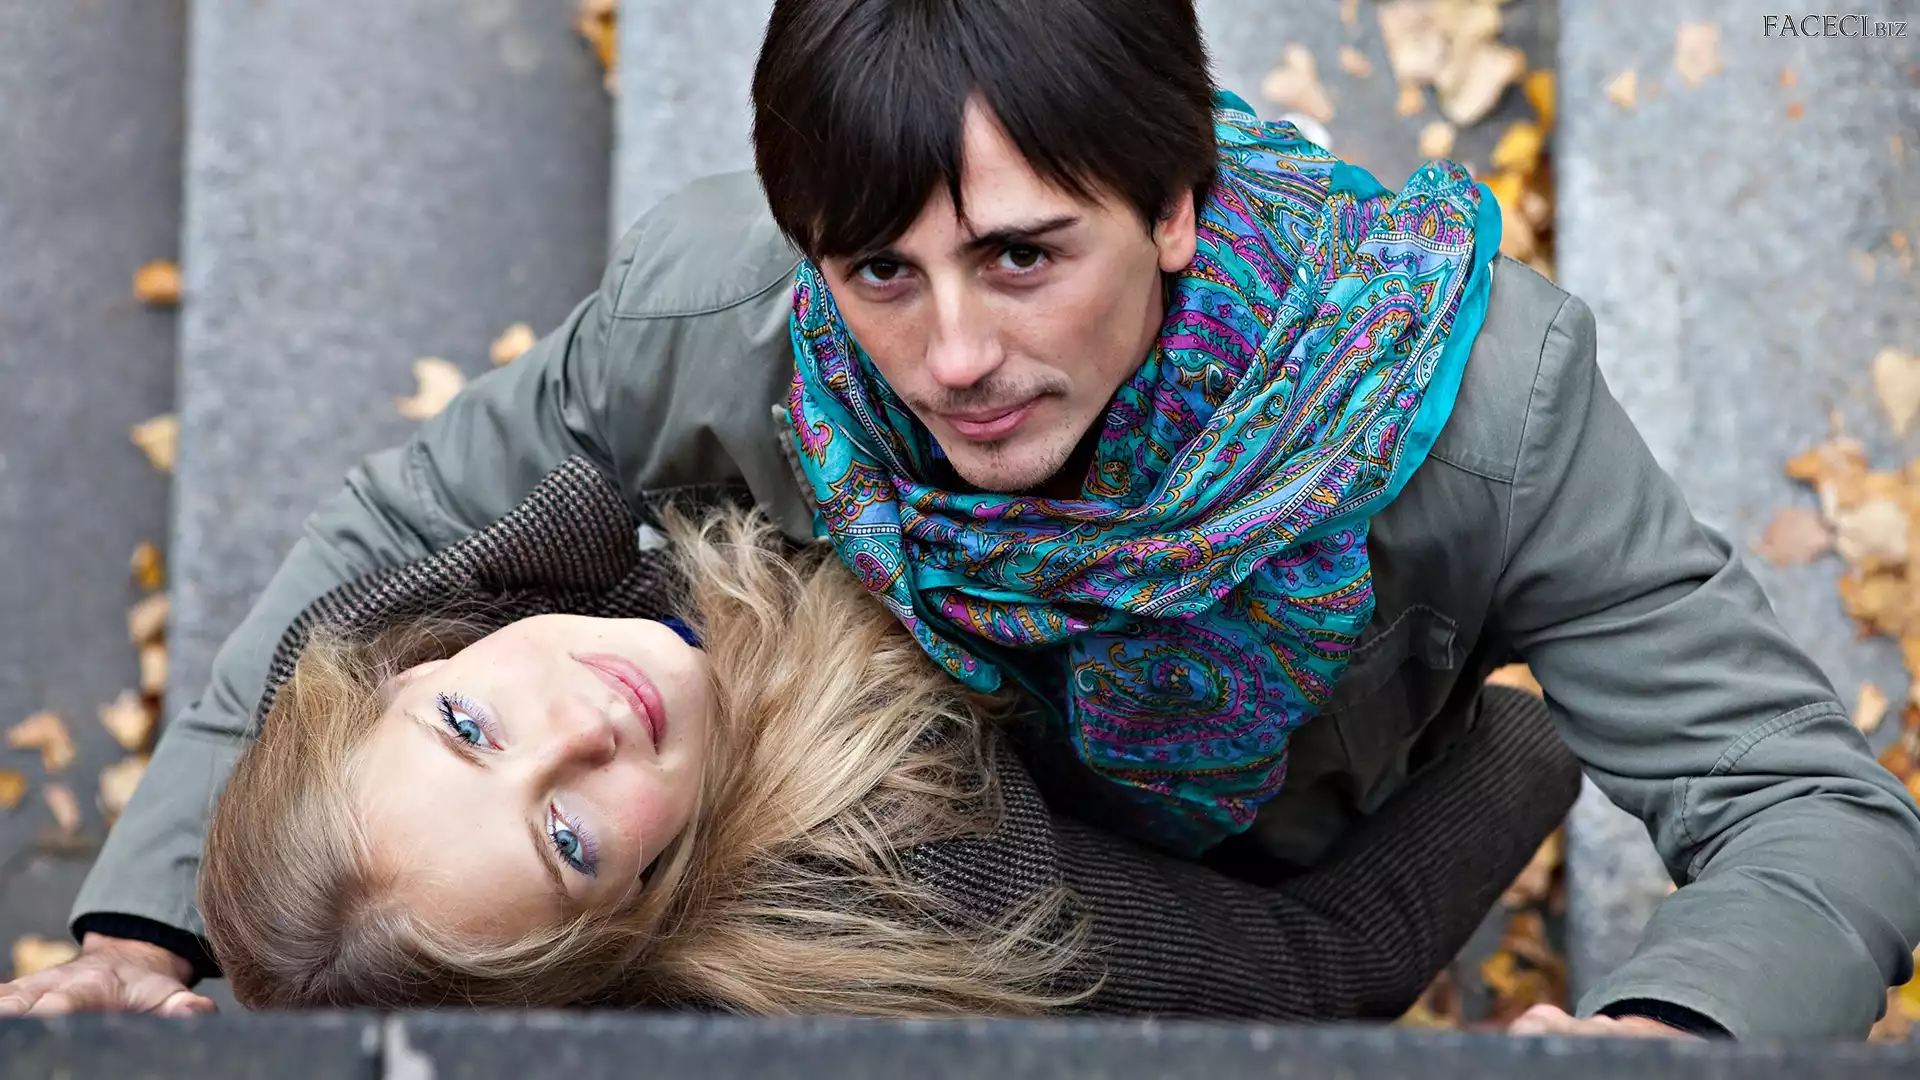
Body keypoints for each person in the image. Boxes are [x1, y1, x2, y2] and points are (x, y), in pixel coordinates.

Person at [6, 0, 1916, 1038]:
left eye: (1022, 257)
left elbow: (1809, 803)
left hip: (1252, 842)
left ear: (1173, 206)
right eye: (880, 273)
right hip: (932, 894)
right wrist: (153, 925)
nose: (953, 357)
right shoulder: (717, 319)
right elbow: (390, 551)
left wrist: (1686, 1034)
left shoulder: (1485, 418)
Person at [194, 457, 1578, 1015]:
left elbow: (378, 600)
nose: (582, 723)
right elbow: (1322, 967)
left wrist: (139, 932)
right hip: (1284, 737)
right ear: (631, 917)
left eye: (469, 726)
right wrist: (1558, 720)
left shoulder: (397, 635)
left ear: (406, 666)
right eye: (566, 839)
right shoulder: (923, 874)